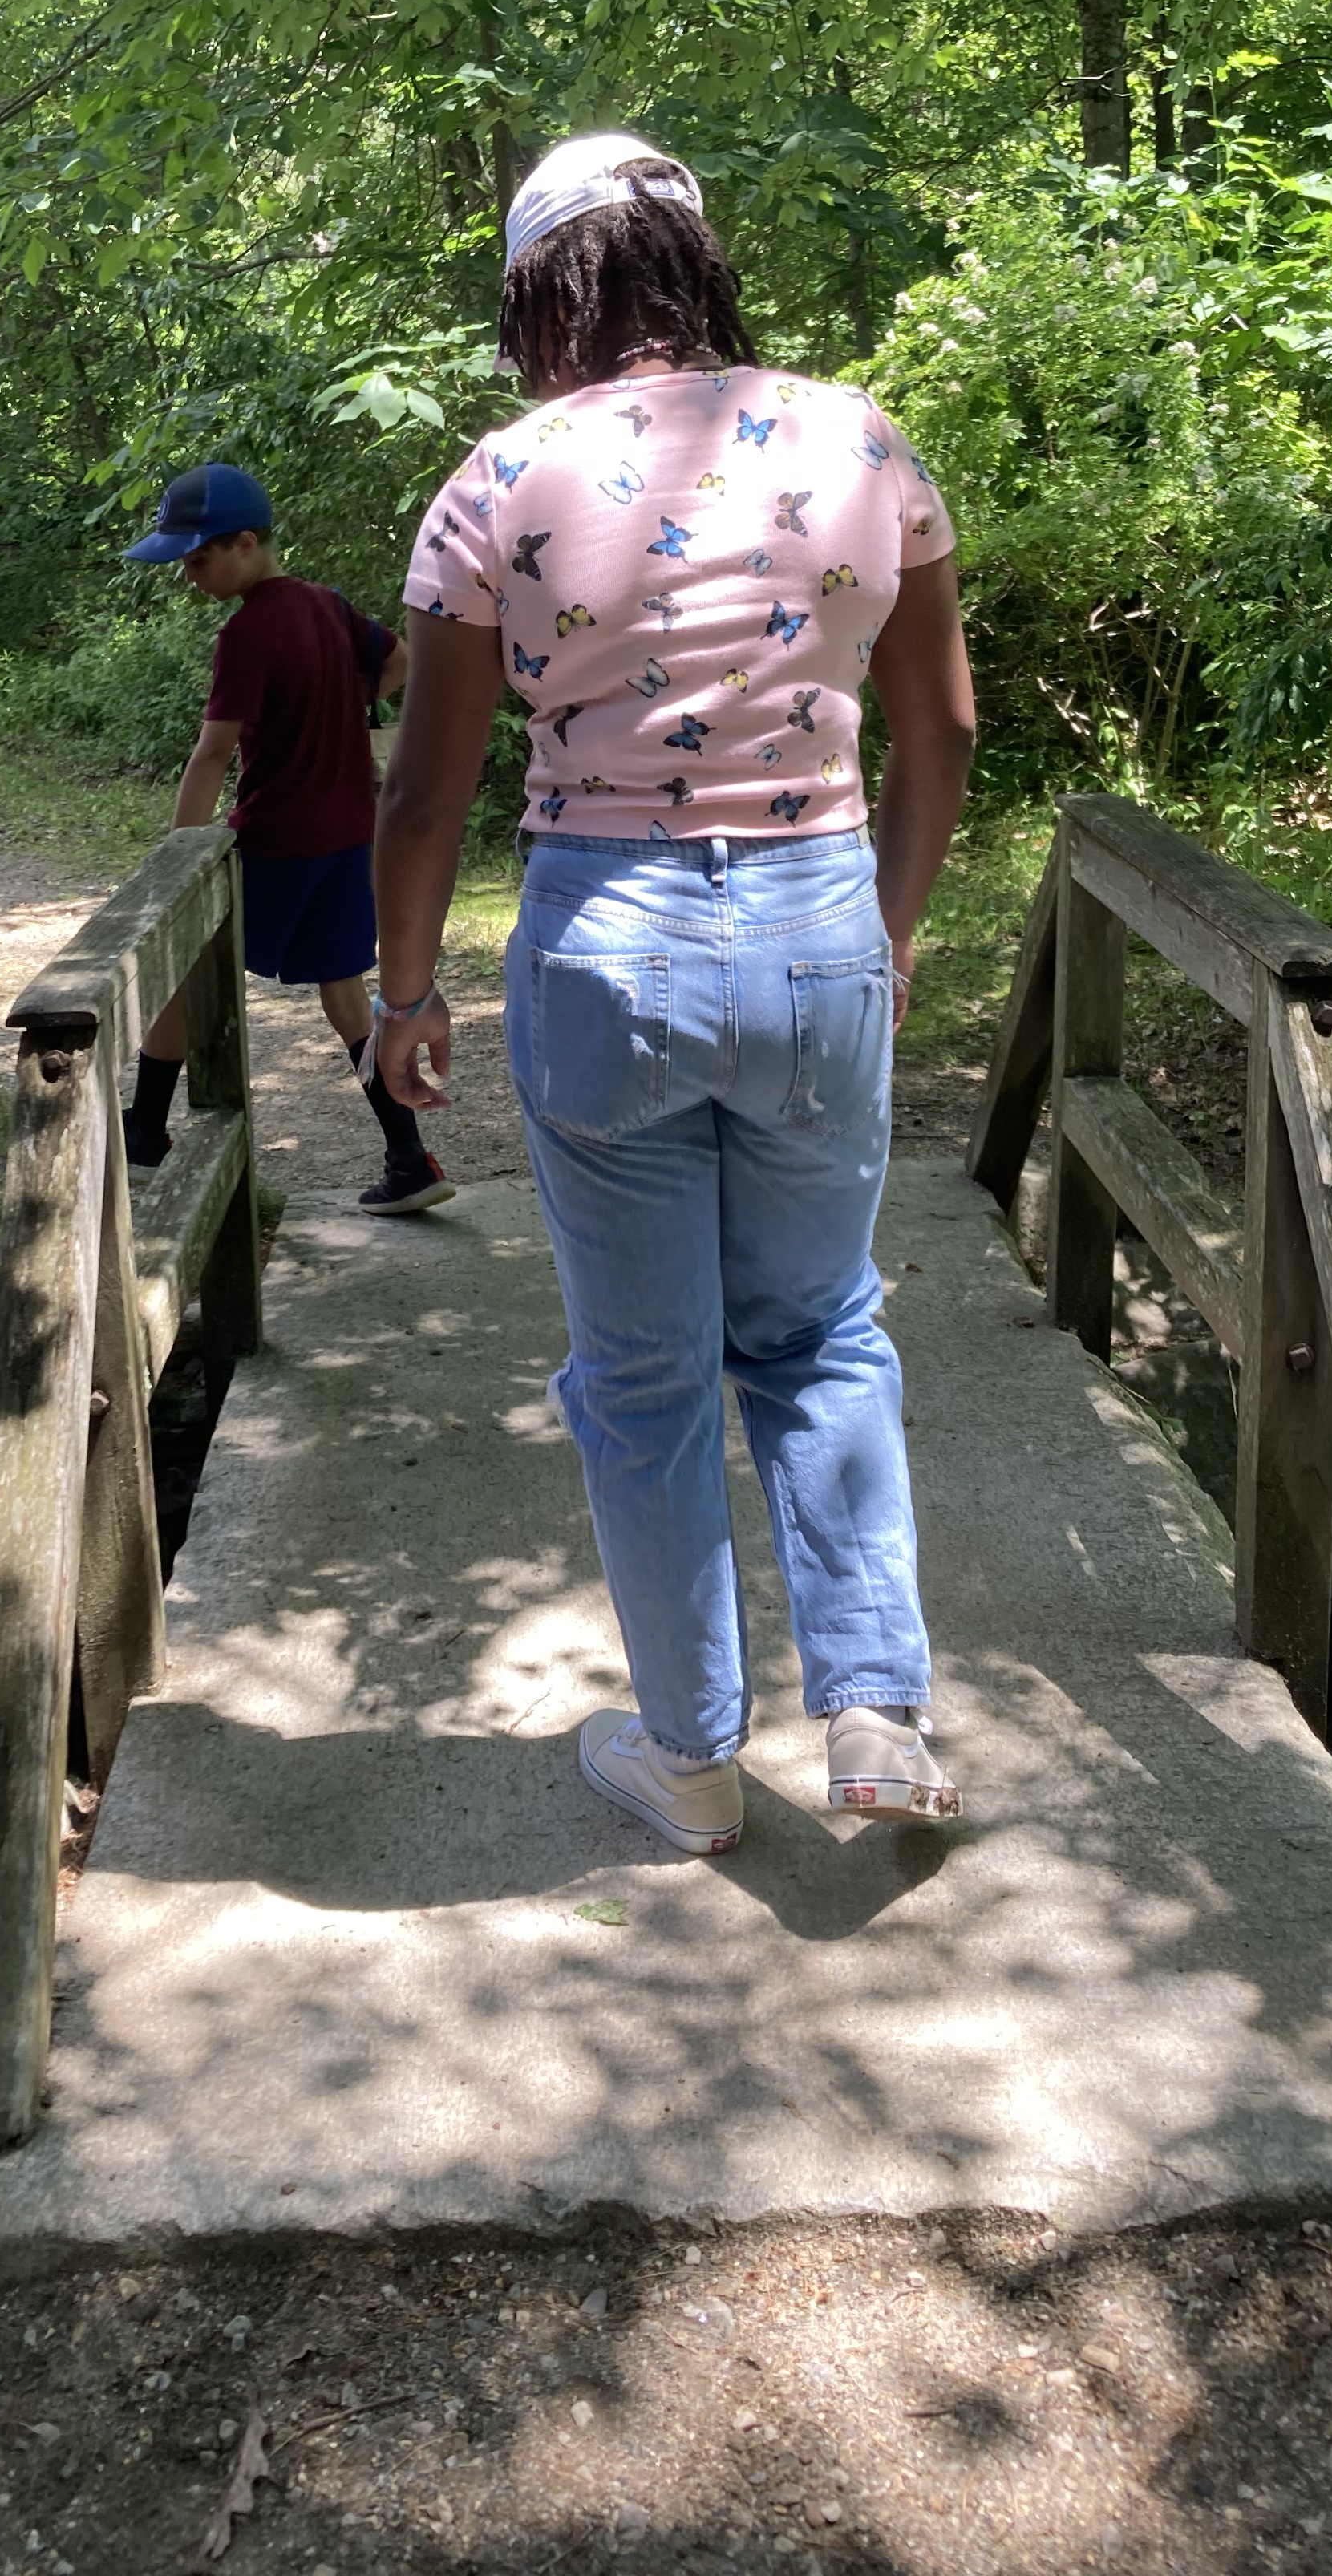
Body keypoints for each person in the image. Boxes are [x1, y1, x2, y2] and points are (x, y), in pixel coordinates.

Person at [372, 134, 978, 1851]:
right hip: (815, 924)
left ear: (538, 292)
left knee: (642, 1375)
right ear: (692, 262)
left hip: (603, 941)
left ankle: (692, 1758)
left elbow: (423, 795)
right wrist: (888, 931)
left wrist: (403, 999)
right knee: (820, 1331)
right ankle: (873, 1712)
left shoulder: (498, 478)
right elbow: (941, 729)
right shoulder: (856, 438)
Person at [122, 458, 454, 1216]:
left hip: (277, 841)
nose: (189, 577)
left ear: (245, 543)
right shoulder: (329, 608)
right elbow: (400, 660)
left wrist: (178, 859)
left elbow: (212, 753)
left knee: (189, 972)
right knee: (344, 988)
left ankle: (143, 1132)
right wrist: (343, 705)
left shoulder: (247, 634)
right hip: (349, 840)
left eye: (197, 559)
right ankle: (409, 1159)